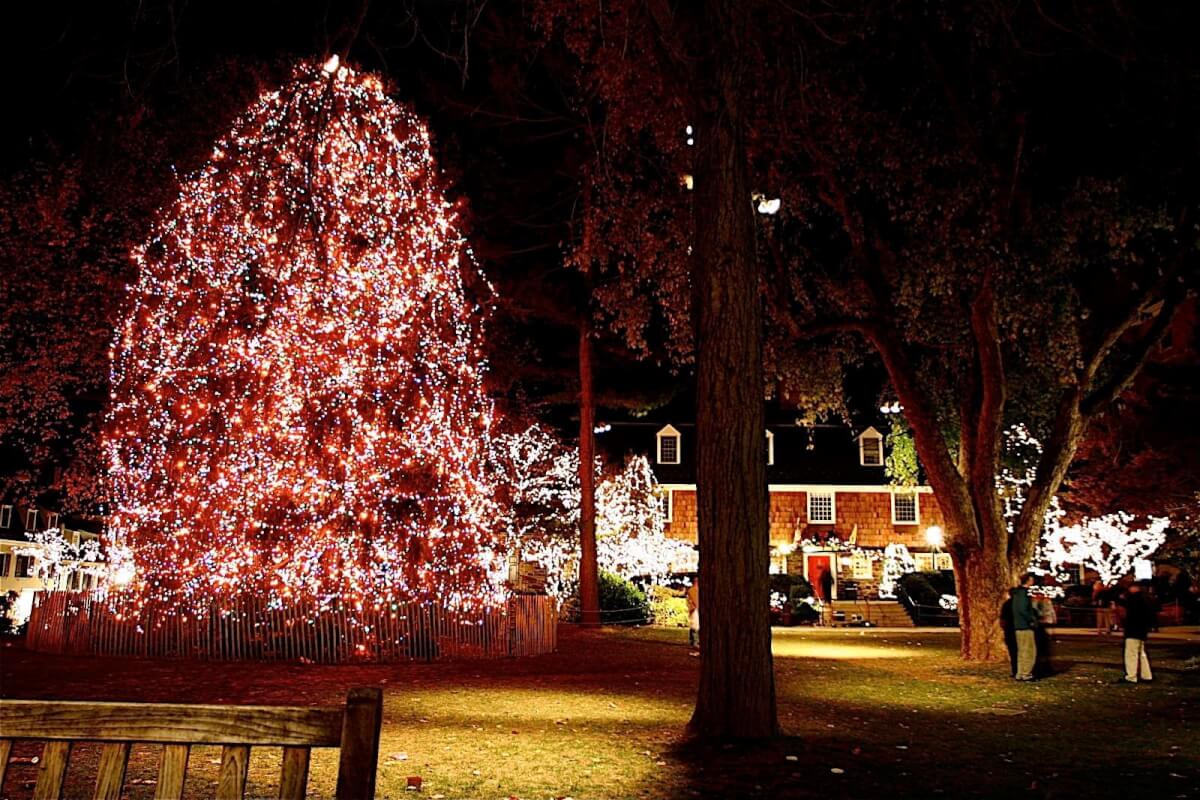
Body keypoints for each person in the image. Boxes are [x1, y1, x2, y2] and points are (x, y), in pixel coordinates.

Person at [1116, 580, 1156, 684]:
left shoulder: (1135, 599)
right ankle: (1146, 675)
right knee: (1141, 652)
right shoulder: (1146, 599)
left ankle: (1131, 676)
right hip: (1141, 630)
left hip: (1133, 629)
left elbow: (1130, 614)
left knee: (1131, 653)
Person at [1011, 573, 1039, 681]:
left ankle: (1020, 673)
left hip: (1018, 625)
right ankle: (1026, 673)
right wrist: (1031, 619)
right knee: (1029, 650)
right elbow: (1023, 610)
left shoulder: (1017, 594)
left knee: (1022, 650)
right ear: (1028, 580)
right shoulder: (1023, 594)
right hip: (1025, 625)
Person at [1033, 590, 1057, 678]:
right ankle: (1042, 666)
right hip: (1039, 627)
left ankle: (1045, 666)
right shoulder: (1035, 603)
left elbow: (1050, 613)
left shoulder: (1045, 603)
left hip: (1044, 625)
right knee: (1041, 648)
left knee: (1044, 648)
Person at [999, 591, 1018, 678]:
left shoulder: (1006, 604)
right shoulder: (1016, 604)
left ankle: (1015, 670)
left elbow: (1002, 619)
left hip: (1009, 630)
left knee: (1013, 652)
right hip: (1015, 628)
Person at [686, 578, 700, 649]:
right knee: (695, 626)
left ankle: (693, 642)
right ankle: (695, 642)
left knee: (694, 626)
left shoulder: (691, 590)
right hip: (695, 610)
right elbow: (695, 600)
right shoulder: (694, 590)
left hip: (693, 609)